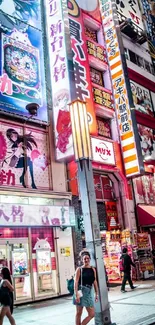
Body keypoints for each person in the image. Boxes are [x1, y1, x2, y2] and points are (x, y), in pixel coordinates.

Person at [73, 251, 98, 325]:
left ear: (90, 259)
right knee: (79, 312)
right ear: (82, 260)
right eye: (84, 259)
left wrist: (96, 293)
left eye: (87, 258)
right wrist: (76, 294)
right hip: (80, 291)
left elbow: (94, 281)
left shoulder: (93, 269)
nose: (86, 260)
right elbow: (76, 282)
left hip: (89, 292)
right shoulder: (79, 269)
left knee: (92, 313)